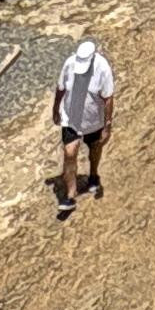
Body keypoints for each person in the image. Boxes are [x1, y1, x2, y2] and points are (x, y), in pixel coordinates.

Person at [49, 37, 116, 212]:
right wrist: (56, 110)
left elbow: (108, 98)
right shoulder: (70, 64)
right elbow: (61, 87)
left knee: (95, 147)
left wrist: (107, 125)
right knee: (69, 153)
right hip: (71, 117)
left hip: (93, 119)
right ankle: (70, 195)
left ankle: (94, 174)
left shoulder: (102, 67)